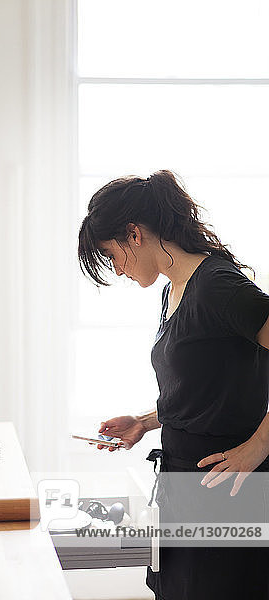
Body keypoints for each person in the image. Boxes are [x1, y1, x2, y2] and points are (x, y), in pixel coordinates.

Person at [77, 170, 269, 600]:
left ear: (134, 233)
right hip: (185, 485)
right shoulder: (175, 289)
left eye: (112, 255)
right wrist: (146, 421)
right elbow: (210, 385)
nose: (117, 269)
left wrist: (258, 446)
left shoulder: (217, 286)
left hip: (227, 490)